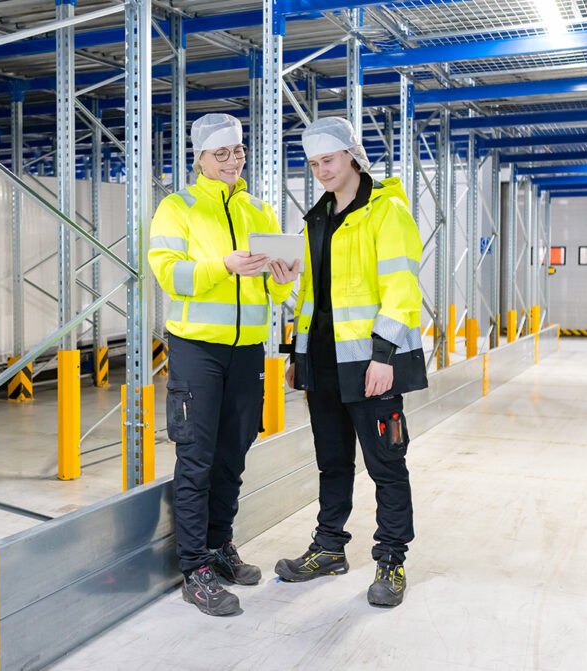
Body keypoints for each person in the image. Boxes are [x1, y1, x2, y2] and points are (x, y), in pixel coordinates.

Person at [149, 113, 302, 616]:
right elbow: (171, 276)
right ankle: (194, 567)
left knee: (234, 453)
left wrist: (285, 274)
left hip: (248, 350)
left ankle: (218, 547)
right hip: (197, 348)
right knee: (197, 456)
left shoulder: (260, 210)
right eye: (222, 154)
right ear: (200, 159)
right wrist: (224, 265)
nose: (233, 161)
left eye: (238, 152)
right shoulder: (178, 208)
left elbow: (275, 288)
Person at [277, 117, 426, 607]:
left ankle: (391, 561)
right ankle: (329, 548)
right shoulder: (316, 217)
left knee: (386, 463)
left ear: (352, 157)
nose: (321, 170)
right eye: (314, 163)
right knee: (332, 462)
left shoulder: (387, 212)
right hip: (322, 363)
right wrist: (298, 354)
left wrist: (383, 356)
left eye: (329, 160)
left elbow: (402, 291)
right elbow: (309, 297)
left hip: (369, 363)